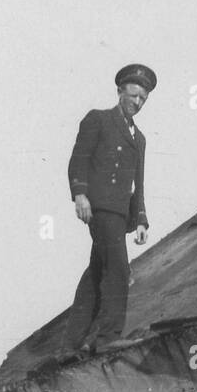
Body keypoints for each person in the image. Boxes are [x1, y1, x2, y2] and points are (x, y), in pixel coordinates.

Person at [63, 64, 154, 353]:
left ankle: (72, 342)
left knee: (96, 274)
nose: (137, 103)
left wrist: (140, 219)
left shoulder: (139, 139)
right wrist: (80, 195)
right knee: (118, 271)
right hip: (100, 209)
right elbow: (79, 159)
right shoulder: (98, 120)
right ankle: (106, 338)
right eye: (133, 95)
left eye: (143, 98)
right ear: (119, 92)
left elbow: (136, 183)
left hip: (121, 213)